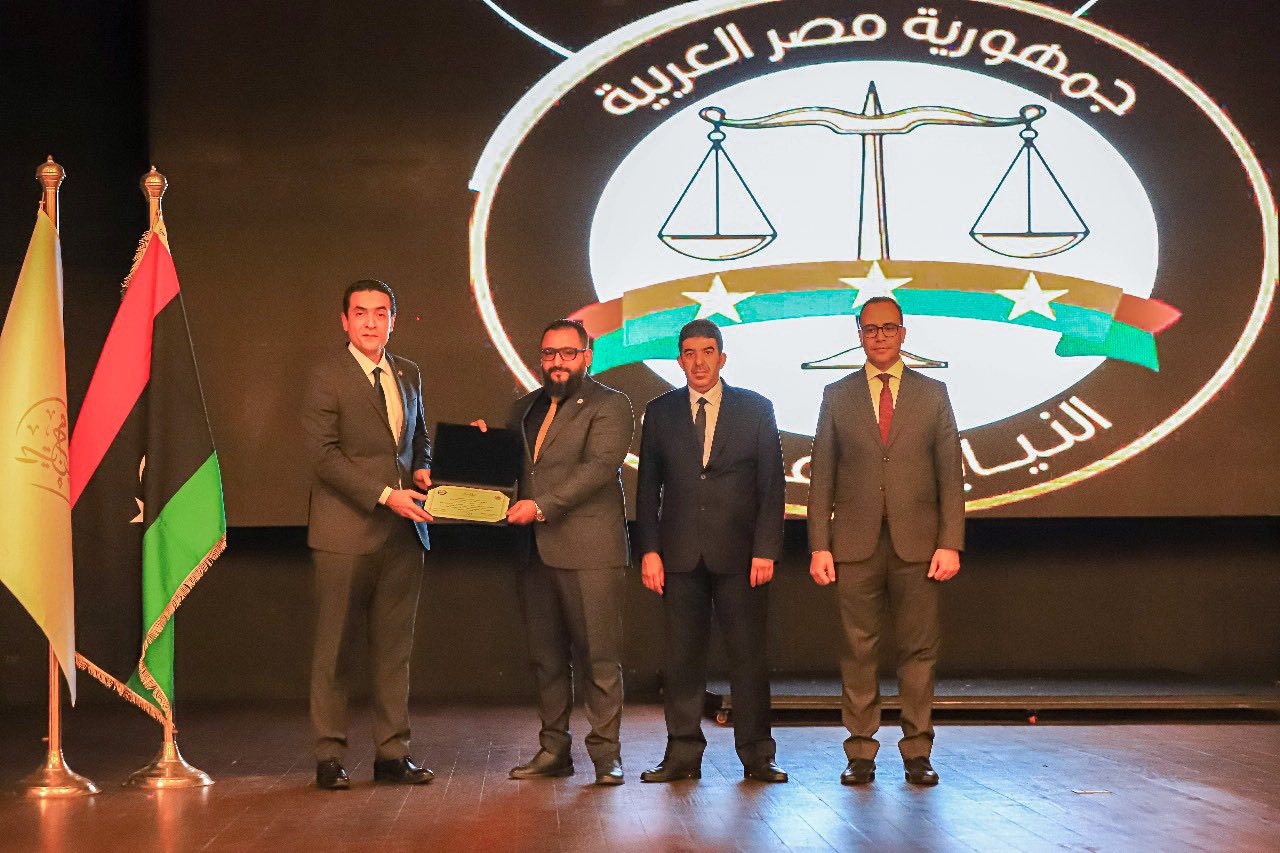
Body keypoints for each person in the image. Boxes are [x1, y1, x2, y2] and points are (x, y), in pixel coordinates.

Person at [807, 296, 964, 787]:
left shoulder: (933, 393)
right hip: (853, 545)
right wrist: (819, 544)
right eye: (870, 328)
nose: (879, 336)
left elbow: (950, 475)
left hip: (920, 546)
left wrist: (950, 542)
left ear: (903, 333)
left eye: (888, 328)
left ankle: (918, 752)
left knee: (919, 652)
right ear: (859, 335)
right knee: (858, 652)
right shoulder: (837, 394)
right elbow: (822, 476)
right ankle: (860, 753)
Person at [478, 318, 634, 785]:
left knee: (599, 658)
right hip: (533, 553)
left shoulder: (611, 404)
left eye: (568, 353)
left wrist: (541, 507)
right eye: (549, 353)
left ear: (587, 356)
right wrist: (479, 450)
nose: (558, 362)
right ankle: (553, 751)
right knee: (546, 661)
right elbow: (512, 470)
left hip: (590, 551)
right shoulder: (524, 407)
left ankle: (606, 757)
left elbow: (599, 468)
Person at [635, 319, 788, 784]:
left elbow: (772, 486)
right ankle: (682, 753)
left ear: (722, 358)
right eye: (689, 353)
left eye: (707, 352)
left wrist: (766, 549)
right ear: (679, 361)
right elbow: (647, 489)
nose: (698, 362)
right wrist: (650, 550)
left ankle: (758, 755)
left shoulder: (756, 408)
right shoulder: (660, 411)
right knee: (681, 660)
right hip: (679, 556)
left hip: (742, 557)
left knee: (748, 658)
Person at [301, 279, 435, 790]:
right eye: (361, 313)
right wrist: (384, 494)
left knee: (394, 651)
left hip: (405, 534)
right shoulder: (325, 375)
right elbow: (323, 456)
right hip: (344, 533)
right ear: (345, 321)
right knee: (334, 651)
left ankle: (392, 755)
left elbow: (419, 439)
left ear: (393, 321)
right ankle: (329, 757)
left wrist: (422, 469)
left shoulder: (408, 372)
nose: (371, 322)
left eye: (381, 313)